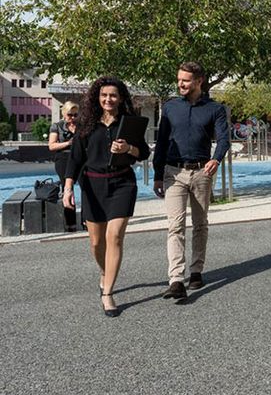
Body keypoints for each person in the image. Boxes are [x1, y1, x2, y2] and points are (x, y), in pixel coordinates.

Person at [62, 76, 150, 318]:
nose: (108, 99)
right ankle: (104, 271)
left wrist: (128, 149)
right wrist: (68, 188)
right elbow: (75, 158)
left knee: (115, 237)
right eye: (104, 95)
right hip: (92, 185)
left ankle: (108, 292)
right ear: (97, 98)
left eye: (113, 95)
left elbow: (143, 152)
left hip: (122, 183)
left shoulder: (129, 123)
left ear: (120, 98)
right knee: (96, 242)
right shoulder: (86, 123)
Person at [153, 61, 230, 300]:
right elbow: (162, 142)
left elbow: (224, 139)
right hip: (173, 173)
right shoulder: (170, 107)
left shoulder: (215, 108)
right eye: (179, 80)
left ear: (199, 81)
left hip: (201, 173)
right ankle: (176, 279)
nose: (180, 84)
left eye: (185, 80)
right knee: (175, 225)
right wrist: (157, 174)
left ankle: (196, 270)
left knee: (200, 223)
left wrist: (216, 159)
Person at [48, 101, 79, 231]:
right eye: (70, 114)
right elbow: (52, 146)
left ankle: (89, 219)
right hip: (63, 158)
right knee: (68, 189)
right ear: (64, 114)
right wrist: (68, 143)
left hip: (80, 158)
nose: (73, 118)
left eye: (75, 115)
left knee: (89, 186)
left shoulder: (81, 126)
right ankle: (70, 222)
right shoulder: (57, 126)